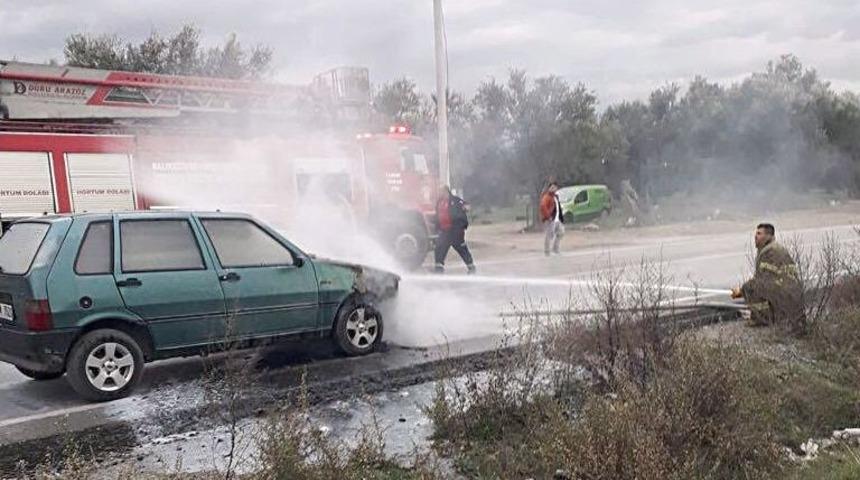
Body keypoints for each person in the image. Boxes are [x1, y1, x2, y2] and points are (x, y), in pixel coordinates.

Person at [732, 223, 804, 329]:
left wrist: (741, 291)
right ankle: (772, 316)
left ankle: (761, 320)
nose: (755, 236)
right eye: (756, 233)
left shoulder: (770, 252)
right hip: (790, 296)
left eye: (759, 233)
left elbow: (763, 281)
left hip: (785, 297)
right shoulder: (774, 248)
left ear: (768, 236)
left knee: (751, 288)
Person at [434, 185, 476, 274]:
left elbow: (466, 205)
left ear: (446, 191)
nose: (439, 193)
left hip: (455, 230)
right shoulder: (439, 202)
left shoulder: (455, 200)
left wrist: (465, 208)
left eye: (441, 191)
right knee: (440, 248)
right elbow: (437, 214)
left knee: (461, 248)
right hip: (444, 230)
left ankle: (471, 266)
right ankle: (439, 268)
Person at [539, 182, 565, 256]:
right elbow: (543, 206)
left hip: (557, 219)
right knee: (549, 235)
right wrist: (548, 217)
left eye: (555, 187)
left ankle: (555, 249)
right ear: (549, 188)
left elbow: (558, 207)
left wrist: (561, 218)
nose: (553, 189)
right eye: (552, 187)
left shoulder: (555, 196)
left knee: (561, 232)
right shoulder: (547, 197)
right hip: (550, 220)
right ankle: (547, 252)